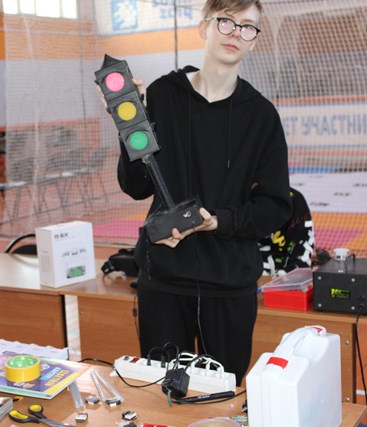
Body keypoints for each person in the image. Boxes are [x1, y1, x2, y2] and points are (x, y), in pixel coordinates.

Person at [116, 0, 292, 385]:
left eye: (248, 27)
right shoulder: (162, 95)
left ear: (254, 40)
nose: (236, 34)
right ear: (204, 27)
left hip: (229, 283)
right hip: (164, 278)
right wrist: (129, 125)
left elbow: (275, 206)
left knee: (221, 396)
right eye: (226, 21)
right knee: (162, 393)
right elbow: (135, 186)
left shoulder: (261, 116)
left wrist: (219, 222)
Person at [259, 187, 315, 276]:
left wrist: (289, 275)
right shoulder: (239, 199)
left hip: (283, 274)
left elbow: (302, 240)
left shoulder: (294, 198)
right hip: (248, 273)